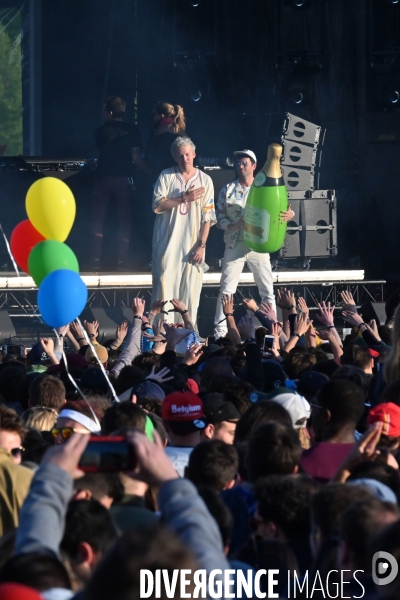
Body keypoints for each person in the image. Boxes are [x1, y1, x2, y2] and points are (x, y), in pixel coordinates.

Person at [213, 149, 294, 338]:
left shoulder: (264, 189)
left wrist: (290, 215)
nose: (240, 166)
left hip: (258, 243)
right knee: (226, 289)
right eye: (238, 163)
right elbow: (218, 217)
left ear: (254, 166)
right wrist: (231, 225)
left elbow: (282, 208)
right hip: (235, 243)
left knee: (266, 288)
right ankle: (221, 333)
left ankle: (273, 328)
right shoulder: (228, 189)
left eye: (245, 163)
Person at [151, 136, 216, 328]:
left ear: (194, 154)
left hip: (192, 247)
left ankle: (186, 340)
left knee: (189, 292)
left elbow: (208, 216)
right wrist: (183, 198)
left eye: (188, 154)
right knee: (164, 290)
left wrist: (201, 246)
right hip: (167, 244)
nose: (185, 158)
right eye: (180, 156)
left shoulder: (205, 180)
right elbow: (157, 205)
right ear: (175, 157)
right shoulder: (166, 176)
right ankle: (161, 339)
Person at [90, 95, 146, 270]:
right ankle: (122, 260)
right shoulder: (133, 131)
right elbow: (135, 157)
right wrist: (149, 171)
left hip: (104, 177)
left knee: (98, 219)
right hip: (124, 178)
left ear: (110, 112)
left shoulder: (100, 131)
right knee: (125, 220)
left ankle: (95, 260)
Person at [145, 102, 187, 179]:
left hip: (161, 172)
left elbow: (150, 153)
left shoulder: (157, 131)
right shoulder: (181, 131)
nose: (153, 117)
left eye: (154, 114)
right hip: (178, 172)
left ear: (162, 115)